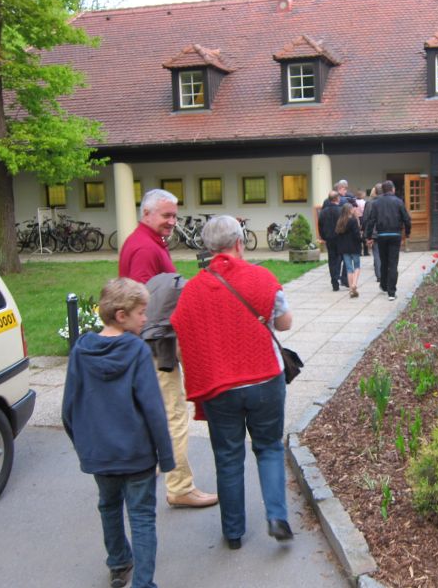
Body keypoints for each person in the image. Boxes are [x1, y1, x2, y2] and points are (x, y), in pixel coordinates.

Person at [171, 215, 294, 549]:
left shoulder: (192, 290)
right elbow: (284, 323)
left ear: (208, 248)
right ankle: (277, 517)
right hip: (265, 378)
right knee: (269, 447)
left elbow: (181, 339)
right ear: (240, 243)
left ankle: (233, 533)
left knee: (227, 457)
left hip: (219, 386)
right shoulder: (262, 277)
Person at [62, 278, 175, 588]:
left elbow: (68, 407)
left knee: (108, 505)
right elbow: (153, 408)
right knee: (142, 516)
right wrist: (165, 456)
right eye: (141, 312)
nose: (145, 318)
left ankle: (118, 561)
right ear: (122, 315)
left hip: (99, 453)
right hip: (136, 453)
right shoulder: (137, 351)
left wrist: (84, 446)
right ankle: (143, 583)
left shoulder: (81, 351)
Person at [118, 188, 217, 509]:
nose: (172, 221)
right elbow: (142, 303)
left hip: (149, 343)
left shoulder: (146, 241)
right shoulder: (144, 248)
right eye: (166, 215)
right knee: (173, 414)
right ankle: (180, 486)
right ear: (146, 213)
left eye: (174, 215)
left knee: (155, 411)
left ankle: (155, 463)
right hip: (156, 345)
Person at [364, 180, 411, 301]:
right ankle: (392, 292)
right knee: (393, 264)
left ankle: (384, 286)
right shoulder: (399, 202)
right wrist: (407, 233)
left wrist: (369, 236)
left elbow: (371, 221)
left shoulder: (376, 203)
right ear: (393, 189)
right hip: (395, 235)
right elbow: (406, 219)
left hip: (382, 236)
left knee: (384, 262)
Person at [318, 190, 348, 291]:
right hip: (340, 238)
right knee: (344, 258)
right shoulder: (341, 211)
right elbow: (345, 224)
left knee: (332, 260)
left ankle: (334, 281)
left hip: (329, 239)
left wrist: (323, 237)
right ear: (337, 199)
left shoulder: (323, 212)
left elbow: (320, 226)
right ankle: (343, 278)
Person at [335, 203, 362, 298]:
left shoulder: (340, 221)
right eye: (352, 208)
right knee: (357, 266)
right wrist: (362, 239)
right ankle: (354, 284)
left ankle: (351, 289)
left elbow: (338, 235)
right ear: (350, 210)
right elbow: (356, 235)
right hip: (354, 247)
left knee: (349, 268)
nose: (354, 209)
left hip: (344, 248)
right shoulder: (353, 221)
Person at [362, 183, 382, 281]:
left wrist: (366, 235)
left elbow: (365, 219)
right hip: (385, 231)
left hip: (374, 232)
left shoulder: (370, 203)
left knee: (377, 254)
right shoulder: (387, 201)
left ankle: (379, 275)